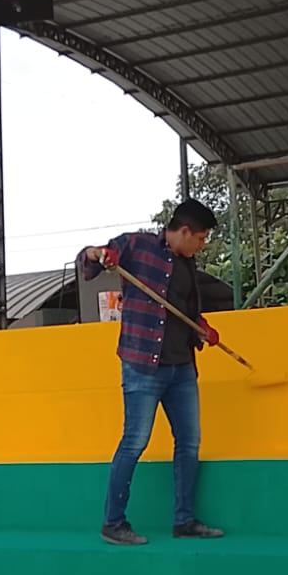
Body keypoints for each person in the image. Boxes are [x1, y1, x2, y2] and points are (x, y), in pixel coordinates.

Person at [80, 199, 227, 546]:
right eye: (201, 238)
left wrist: (202, 328)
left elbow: (184, 311)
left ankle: (184, 520)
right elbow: (88, 260)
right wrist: (98, 254)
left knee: (189, 443)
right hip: (142, 365)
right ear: (185, 231)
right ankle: (113, 523)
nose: (202, 245)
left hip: (182, 368)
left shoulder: (188, 265)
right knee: (134, 442)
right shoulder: (137, 245)